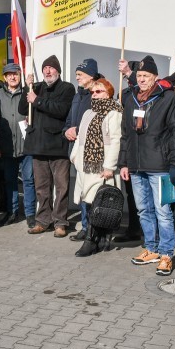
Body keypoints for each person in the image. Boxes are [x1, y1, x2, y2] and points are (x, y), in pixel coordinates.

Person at [119, 56, 175, 276]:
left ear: (155, 77)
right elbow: (125, 134)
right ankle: (151, 248)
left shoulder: (169, 98)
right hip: (137, 166)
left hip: (161, 165)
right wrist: (123, 162)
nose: (141, 79)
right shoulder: (130, 98)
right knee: (143, 210)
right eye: (139, 75)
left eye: (146, 76)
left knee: (163, 212)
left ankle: (167, 253)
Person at [20, 55, 76, 237]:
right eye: (45, 68)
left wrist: (37, 100)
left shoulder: (67, 88)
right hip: (38, 146)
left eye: (51, 68)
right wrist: (25, 88)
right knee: (41, 187)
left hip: (58, 146)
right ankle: (43, 220)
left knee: (61, 187)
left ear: (57, 71)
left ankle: (60, 222)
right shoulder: (36, 87)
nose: (47, 71)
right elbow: (22, 109)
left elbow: (61, 110)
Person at [69, 78, 123, 257]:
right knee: (89, 201)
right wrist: (75, 156)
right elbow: (80, 138)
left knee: (99, 202)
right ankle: (102, 238)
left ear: (108, 93)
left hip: (102, 165)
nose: (94, 95)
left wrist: (109, 166)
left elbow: (115, 140)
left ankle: (91, 240)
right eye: (93, 92)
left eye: (98, 91)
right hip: (85, 165)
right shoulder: (88, 112)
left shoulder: (114, 112)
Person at [64, 58, 101, 241]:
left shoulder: (98, 93)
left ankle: (95, 230)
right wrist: (67, 131)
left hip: (92, 152)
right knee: (82, 191)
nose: (76, 77)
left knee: (92, 192)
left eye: (80, 74)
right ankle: (86, 227)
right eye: (76, 74)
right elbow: (70, 119)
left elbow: (98, 122)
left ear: (91, 75)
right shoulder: (77, 95)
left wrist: (78, 130)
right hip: (77, 151)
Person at [0, 63, 35, 226]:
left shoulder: (27, 92)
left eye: (15, 74)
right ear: (4, 77)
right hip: (7, 146)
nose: (12, 77)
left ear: (20, 75)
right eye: (9, 74)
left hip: (26, 145)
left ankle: (30, 214)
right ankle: (12, 212)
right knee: (9, 180)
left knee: (29, 180)